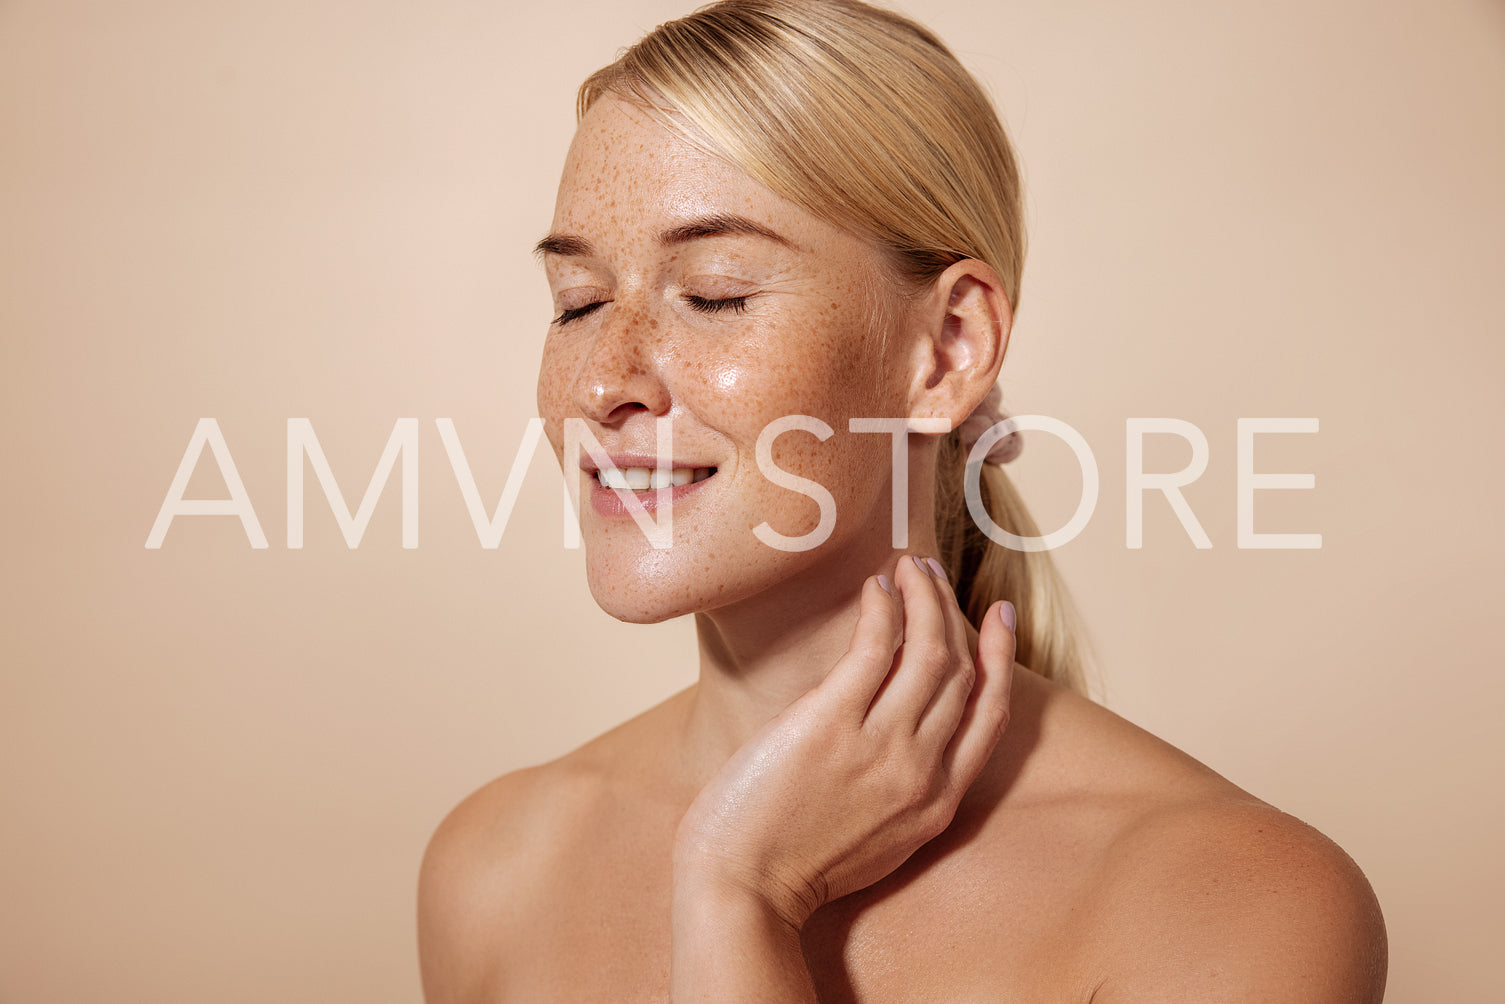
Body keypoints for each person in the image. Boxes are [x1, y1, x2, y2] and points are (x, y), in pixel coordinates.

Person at [417, 1, 1387, 998]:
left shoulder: (1227, 902)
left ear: (947, 349)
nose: (599, 379)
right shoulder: (495, 868)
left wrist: (738, 894)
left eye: (712, 292)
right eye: (576, 301)